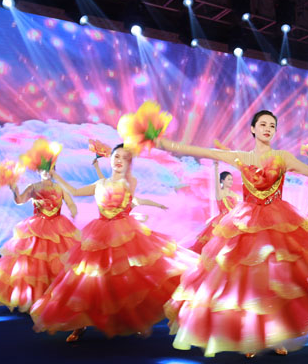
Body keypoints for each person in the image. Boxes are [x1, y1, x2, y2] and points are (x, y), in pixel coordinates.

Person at [158, 110, 308, 357]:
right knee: (250, 283)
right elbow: (205, 152)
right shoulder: (241, 156)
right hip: (246, 225)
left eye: (272, 125)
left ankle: (276, 336)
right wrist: (168, 145)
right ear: (253, 129)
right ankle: (252, 338)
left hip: (279, 223)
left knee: (278, 282)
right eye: (263, 124)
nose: (267, 129)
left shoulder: (282, 157)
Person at [29, 144, 197, 342]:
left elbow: (126, 183)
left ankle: (135, 321)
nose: (119, 161)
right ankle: (79, 324)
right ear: (110, 158)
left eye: (125, 158)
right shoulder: (99, 184)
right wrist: (55, 175)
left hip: (125, 233)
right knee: (86, 281)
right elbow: (74, 191)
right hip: (98, 235)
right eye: (116, 156)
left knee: (128, 281)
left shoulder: (129, 181)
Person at [0, 169, 80, 312]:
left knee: (57, 262)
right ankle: (36, 299)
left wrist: (73, 210)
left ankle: (56, 298)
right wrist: (14, 189)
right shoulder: (33, 187)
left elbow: (70, 203)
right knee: (36, 264)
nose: (46, 172)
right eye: (43, 169)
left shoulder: (60, 188)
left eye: (50, 168)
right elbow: (20, 200)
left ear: (54, 170)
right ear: (39, 171)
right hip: (37, 227)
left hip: (58, 227)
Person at [190, 161, 240, 253]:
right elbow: (216, 184)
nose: (231, 181)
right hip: (222, 220)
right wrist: (216, 169)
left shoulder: (233, 194)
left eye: (231, 179)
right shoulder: (220, 193)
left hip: (233, 220)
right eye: (228, 179)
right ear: (222, 181)